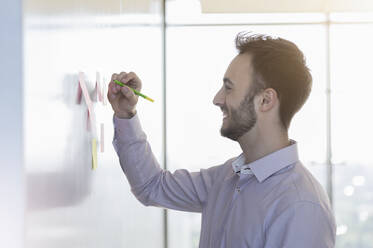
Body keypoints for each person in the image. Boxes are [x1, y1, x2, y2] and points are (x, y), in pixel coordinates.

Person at [107, 32, 336, 247]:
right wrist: (125, 114)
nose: (217, 99)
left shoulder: (302, 208)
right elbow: (151, 187)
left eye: (229, 88)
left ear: (265, 101)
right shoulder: (225, 178)